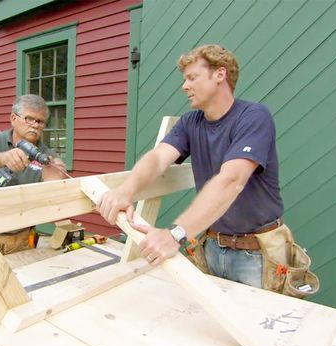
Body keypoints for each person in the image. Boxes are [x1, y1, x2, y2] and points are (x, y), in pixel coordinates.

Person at [97, 44, 284, 289]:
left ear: (220, 74)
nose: (184, 86)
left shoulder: (254, 117)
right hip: (211, 247)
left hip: (255, 254)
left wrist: (175, 234)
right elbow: (157, 158)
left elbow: (231, 181)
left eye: (192, 77)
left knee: (255, 323)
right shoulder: (190, 122)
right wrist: (125, 190)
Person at [0, 94, 68, 254]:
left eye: (40, 121)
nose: (34, 125)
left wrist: (56, 176)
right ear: (13, 118)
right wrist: (1, 158)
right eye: (29, 119)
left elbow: (54, 194)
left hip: (23, 238)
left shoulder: (46, 155)